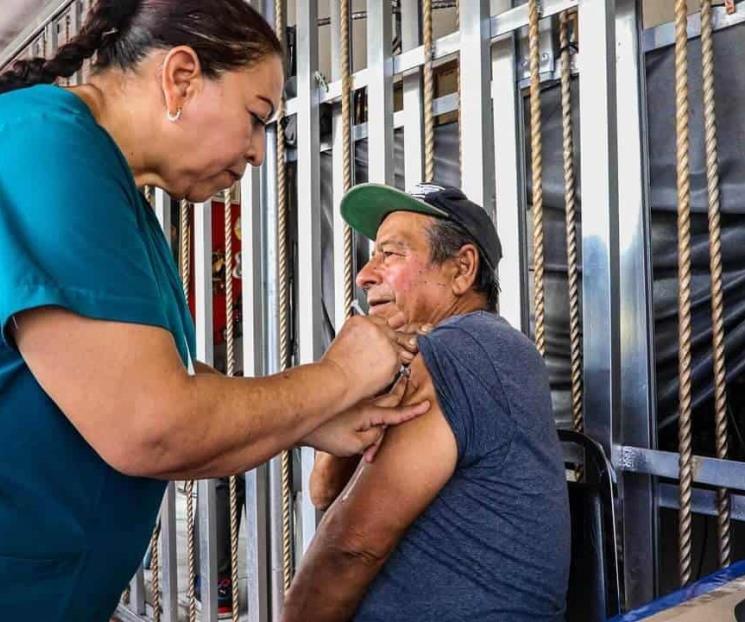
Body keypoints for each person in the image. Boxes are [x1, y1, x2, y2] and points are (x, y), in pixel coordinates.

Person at [0, 2, 429, 620]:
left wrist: (307, 419)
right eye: (256, 118)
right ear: (180, 78)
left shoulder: (105, 184)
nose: (258, 152)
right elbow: (151, 423)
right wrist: (337, 377)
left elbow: (150, 375)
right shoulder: (48, 151)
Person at [282, 183, 571, 622]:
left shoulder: (468, 347)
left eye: (391, 254)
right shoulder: (425, 355)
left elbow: (352, 546)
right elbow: (323, 488)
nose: (365, 274)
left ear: (461, 270)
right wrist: (360, 381)